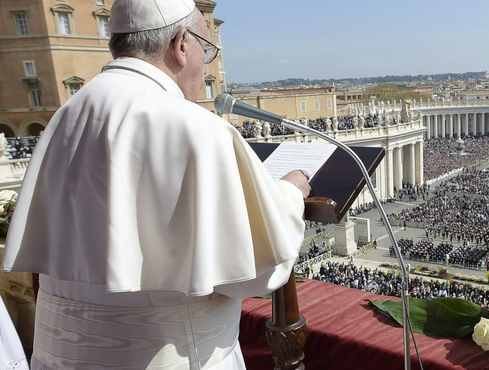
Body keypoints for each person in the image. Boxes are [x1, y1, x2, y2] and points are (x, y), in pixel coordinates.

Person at [0, 1, 311, 368]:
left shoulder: (66, 118)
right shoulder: (196, 128)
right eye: (205, 50)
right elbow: (255, 274)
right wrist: (290, 194)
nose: (204, 63)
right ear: (181, 44)